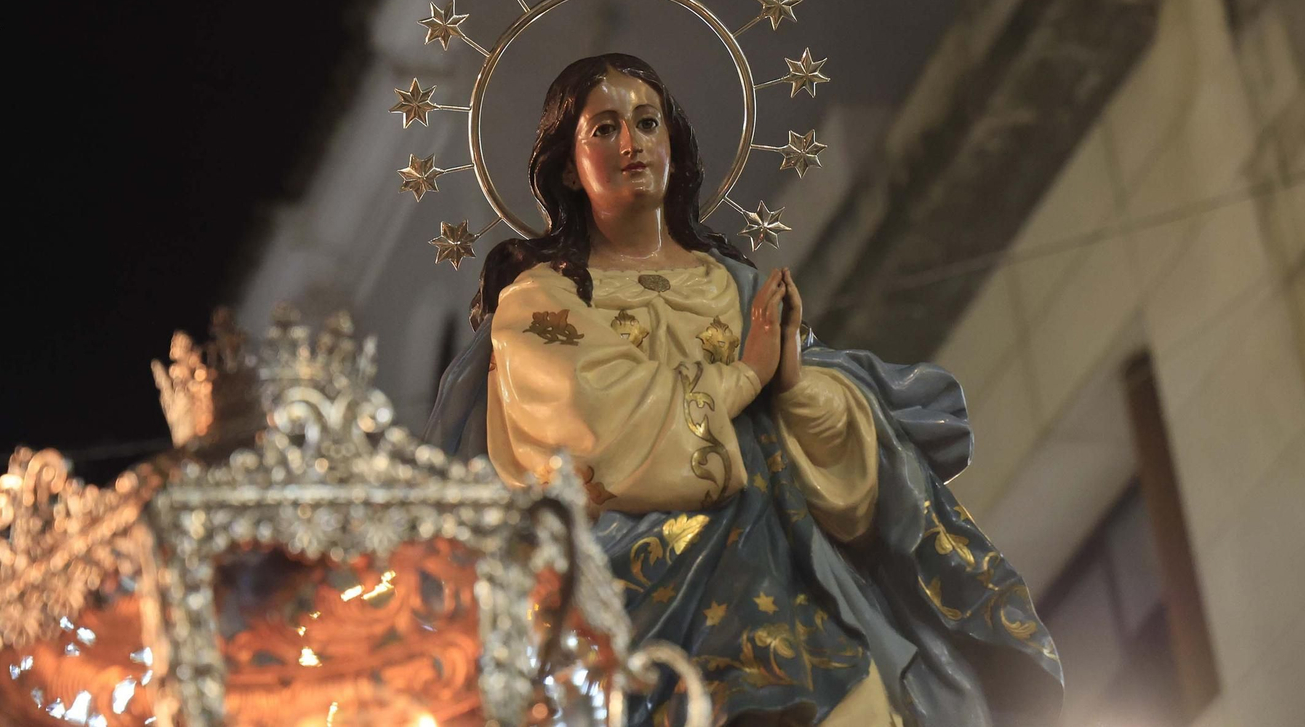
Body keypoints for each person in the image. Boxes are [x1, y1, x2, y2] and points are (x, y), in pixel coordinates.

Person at [424, 54, 1063, 726]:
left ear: (673, 143)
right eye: (605, 129)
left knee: (864, 705)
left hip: (790, 569)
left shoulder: (735, 287)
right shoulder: (540, 303)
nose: (632, 143)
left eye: (647, 122)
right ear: (567, 167)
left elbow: (852, 458)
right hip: (647, 590)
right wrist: (746, 377)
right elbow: (596, 424)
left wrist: (793, 388)